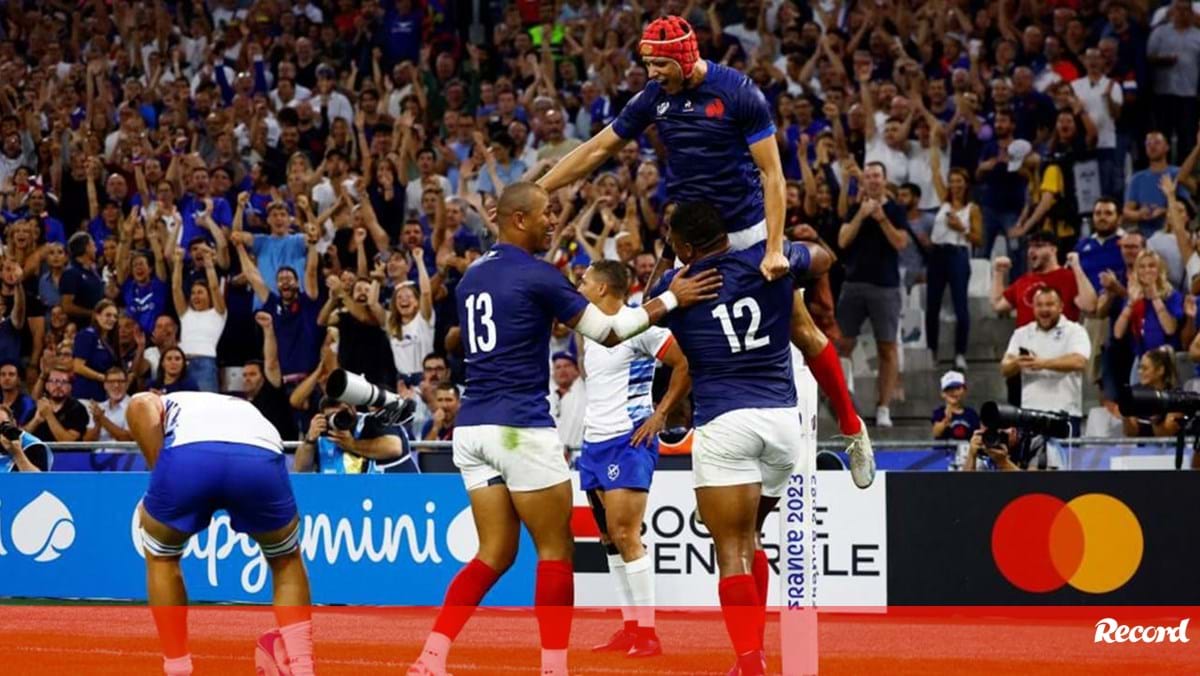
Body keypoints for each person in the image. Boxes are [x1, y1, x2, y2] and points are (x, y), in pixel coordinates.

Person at [407, 182, 719, 676]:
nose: (554, 221)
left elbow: (485, 331)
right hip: (519, 430)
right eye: (546, 214)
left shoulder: (471, 278)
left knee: (493, 553)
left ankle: (432, 656)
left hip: (470, 430)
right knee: (554, 551)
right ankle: (554, 668)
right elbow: (610, 331)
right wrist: (670, 300)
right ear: (519, 220)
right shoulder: (539, 275)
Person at [536, 15, 872, 468]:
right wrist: (541, 188)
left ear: (684, 57)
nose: (650, 74)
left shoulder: (737, 92)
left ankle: (852, 428)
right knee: (670, 328)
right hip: (693, 242)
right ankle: (692, 428)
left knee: (800, 328)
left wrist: (774, 247)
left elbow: (773, 173)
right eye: (647, 64)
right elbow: (598, 149)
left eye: (658, 65)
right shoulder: (655, 98)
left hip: (748, 233)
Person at [647, 201, 813, 675]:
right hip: (784, 422)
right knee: (753, 537)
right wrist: (783, 252)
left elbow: (636, 320)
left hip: (726, 423)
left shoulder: (676, 290)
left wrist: (670, 282)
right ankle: (752, 656)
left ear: (682, 247)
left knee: (733, 550)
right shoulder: (765, 262)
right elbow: (821, 258)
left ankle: (750, 661)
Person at [125, 391, 314, 676]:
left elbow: (139, 405)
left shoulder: (163, 400)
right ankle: (303, 668)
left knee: (163, 557)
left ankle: (177, 667)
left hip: (191, 459)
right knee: (286, 560)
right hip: (258, 457)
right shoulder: (243, 407)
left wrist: (158, 482)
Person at [576, 260, 690, 658]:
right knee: (609, 540)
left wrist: (660, 415)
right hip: (593, 444)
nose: (581, 284)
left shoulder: (641, 325)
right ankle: (630, 627)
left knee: (628, 536)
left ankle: (649, 633)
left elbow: (683, 363)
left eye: (586, 280)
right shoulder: (589, 329)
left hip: (628, 440)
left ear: (604, 288)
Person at [837, 162, 911, 427]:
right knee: (842, 344)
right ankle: (844, 404)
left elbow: (901, 243)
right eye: (868, 176)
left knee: (887, 348)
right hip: (853, 284)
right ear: (863, 181)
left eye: (877, 176)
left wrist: (881, 219)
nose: (873, 180)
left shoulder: (896, 210)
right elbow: (842, 241)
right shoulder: (855, 209)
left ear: (885, 179)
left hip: (886, 287)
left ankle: (883, 408)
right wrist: (861, 216)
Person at [1000, 287, 1091, 434]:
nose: (1044, 310)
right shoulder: (1021, 333)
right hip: (1030, 413)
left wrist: (1041, 363)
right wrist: (1017, 363)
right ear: (1033, 307)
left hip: (1065, 413)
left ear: (1061, 306)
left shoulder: (1075, 331)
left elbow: (1079, 361)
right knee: (1031, 457)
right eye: (1039, 305)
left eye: (1049, 304)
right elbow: (1005, 368)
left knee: (1066, 458)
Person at [294, 395, 416, 474]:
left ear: (353, 408)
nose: (338, 419)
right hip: (333, 498)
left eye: (342, 413)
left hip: (371, 495)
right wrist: (309, 440)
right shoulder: (321, 433)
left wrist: (352, 444)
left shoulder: (370, 421)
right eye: (331, 416)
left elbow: (393, 448)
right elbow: (300, 469)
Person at [170, 247, 226, 392]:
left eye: (200, 292)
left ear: (209, 296)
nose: (196, 296)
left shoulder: (218, 313)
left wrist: (209, 266)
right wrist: (178, 263)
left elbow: (214, 287)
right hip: (180, 365)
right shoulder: (185, 313)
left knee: (206, 408)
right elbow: (176, 288)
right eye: (193, 293)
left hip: (205, 364)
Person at [246, 312, 300, 441]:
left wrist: (268, 329)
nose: (247, 378)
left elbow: (271, 363)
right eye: (245, 375)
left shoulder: (272, 390)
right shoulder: (248, 405)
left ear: (264, 377)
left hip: (285, 450)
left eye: (253, 374)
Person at [1123, 346, 1184, 438]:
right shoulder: (1134, 394)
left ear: (1160, 370)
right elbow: (1132, 433)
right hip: (1140, 449)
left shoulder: (1176, 396)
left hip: (1168, 449)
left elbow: (1166, 435)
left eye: (1145, 368)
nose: (1140, 372)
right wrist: (1126, 415)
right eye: (1139, 368)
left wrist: (1156, 421)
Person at [26, 366, 90, 443]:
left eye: (63, 382)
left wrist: (49, 415)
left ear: (70, 387)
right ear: (47, 386)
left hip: (67, 454)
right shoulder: (39, 406)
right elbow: (21, 438)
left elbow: (68, 442)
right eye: (54, 381)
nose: (58, 385)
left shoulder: (78, 409)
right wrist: (35, 421)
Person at [84, 366, 132, 452]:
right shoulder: (99, 408)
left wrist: (102, 419)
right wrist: (97, 425)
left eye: (120, 382)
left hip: (124, 460)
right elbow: (87, 442)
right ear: (105, 385)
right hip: (97, 459)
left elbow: (127, 439)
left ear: (127, 384)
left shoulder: (134, 407)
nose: (116, 385)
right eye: (111, 382)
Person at [549, 352, 586, 450]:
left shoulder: (584, 391)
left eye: (567, 366)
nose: (562, 370)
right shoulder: (548, 397)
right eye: (558, 367)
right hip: (552, 455)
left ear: (577, 371)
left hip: (577, 454)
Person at [931, 371, 980, 442]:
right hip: (944, 451)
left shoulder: (971, 414)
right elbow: (936, 433)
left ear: (964, 390)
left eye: (957, 388)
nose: (953, 392)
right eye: (948, 389)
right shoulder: (939, 412)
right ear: (942, 394)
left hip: (965, 451)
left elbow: (976, 434)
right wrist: (946, 420)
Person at [0, 404, 49, 472]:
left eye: (4, 425)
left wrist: (17, 452)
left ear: (14, 423)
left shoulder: (32, 445)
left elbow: (38, 480)